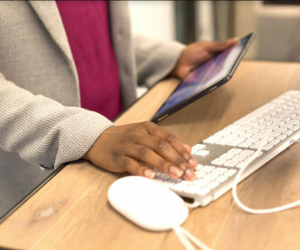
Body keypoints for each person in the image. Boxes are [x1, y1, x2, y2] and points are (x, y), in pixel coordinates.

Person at [0, 1, 237, 186]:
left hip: (120, 141)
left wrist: (170, 58)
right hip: (44, 174)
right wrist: (91, 135)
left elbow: (91, 34)